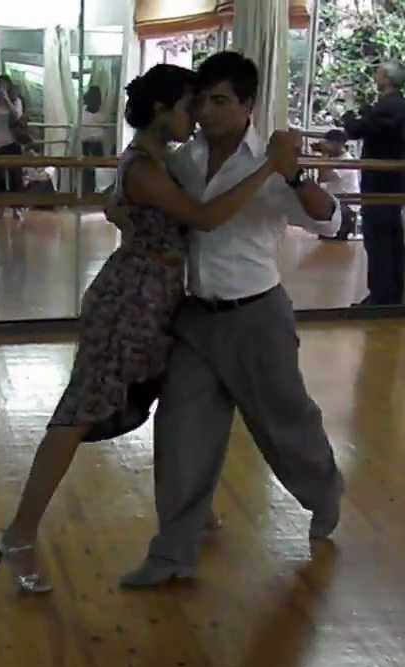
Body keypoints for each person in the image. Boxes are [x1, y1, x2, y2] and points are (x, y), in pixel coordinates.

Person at [0, 63, 299, 594]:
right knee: (80, 412)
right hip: (130, 299)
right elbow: (204, 218)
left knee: (180, 402)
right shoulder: (145, 167)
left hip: (158, 297)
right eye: (188, 106)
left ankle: (192, 511)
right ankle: (18, 531)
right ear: (161, 111)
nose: (197, 115)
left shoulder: (163, 159)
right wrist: (269, 166)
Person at [117, 51, 346, 589]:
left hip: (257, 317)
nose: (208, 111)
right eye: (201, 100)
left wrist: (294, 172)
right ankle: (172, 553)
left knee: (286, 425)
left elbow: (331, 222)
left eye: (221, 100)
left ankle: (325, 492)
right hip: (195, 318)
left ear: (247, 105)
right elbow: (149, 205)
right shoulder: (184, 161)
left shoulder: (268, 165)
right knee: (180, 435)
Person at [342, 61, 405, 305]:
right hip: (392, 181)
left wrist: (349, 112)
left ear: (385, 77)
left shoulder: (388, 106)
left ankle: (381, 296)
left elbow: (357, 129)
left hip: (379, 181)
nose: (375, 75)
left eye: (379, 72)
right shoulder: (401, 106)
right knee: (391, 238)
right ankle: (391, 293)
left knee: (378, 239)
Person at [0, 76, 26, 219]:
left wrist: (7, 100)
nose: (2, 88)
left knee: (16, 177)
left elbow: (17, 116)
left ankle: (17, 208)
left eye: (5, 85)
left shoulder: (16, 102)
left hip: (12, 142)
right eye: (0, 85)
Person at [313, 129, 359, 241]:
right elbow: (321, 179)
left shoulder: (347, 161)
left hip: (347, 206)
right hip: (336, 202)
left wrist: (324, 154)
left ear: (339, 144)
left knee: (331, 237)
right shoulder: (333, 158)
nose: (326, 146)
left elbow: (324, 177)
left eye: (329, 143)